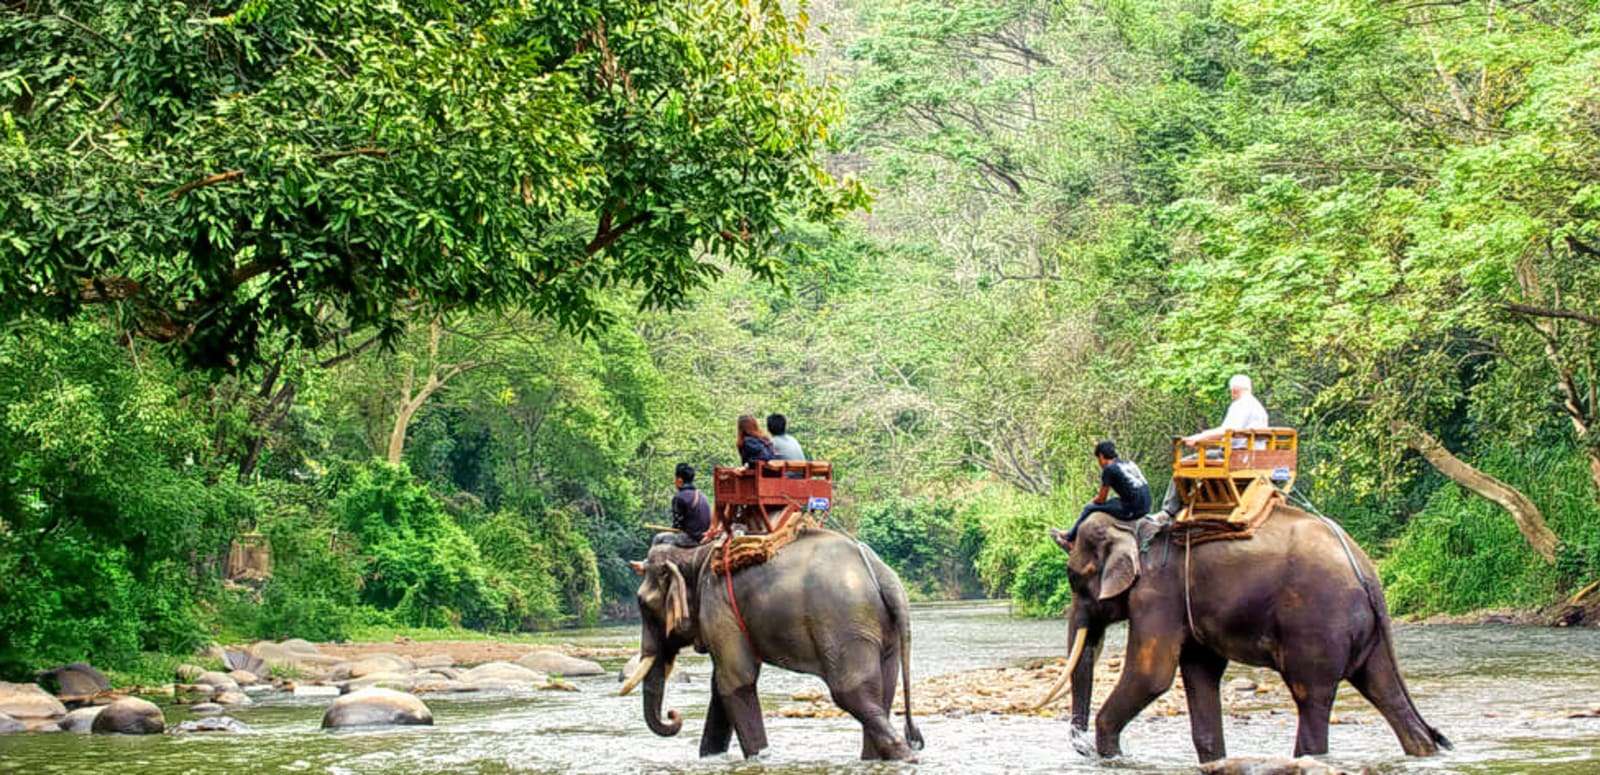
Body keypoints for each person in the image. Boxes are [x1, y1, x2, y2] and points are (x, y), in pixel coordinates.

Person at [1157, 373, 1270, 517]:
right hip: (1255, 456)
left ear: (1234, 390)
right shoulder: (1258, 407)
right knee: (1204, 456)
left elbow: (1225, 431)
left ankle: (1168, 511)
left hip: (1237, 457)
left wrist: (1198, 438)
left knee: (1184, 464)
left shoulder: (1241, 405)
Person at [1056, 440, 1151, 545]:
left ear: (1101, 456)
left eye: (1098, 459)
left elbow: (1101, 499)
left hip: (1133, 510)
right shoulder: (1128, 463)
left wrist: (1092, 501)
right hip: (1146, 505)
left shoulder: (1109, 469)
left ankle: (1070, 538)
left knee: (1089, 508)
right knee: (1113, 501)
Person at [654, 463, 711, 547]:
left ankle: (649, 560)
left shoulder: (679, 497)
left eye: (675, 479)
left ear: (679, 480)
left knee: (658, 538)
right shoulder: (702, 495)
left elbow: (677, 525)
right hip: (705, 537)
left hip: (691, 539)